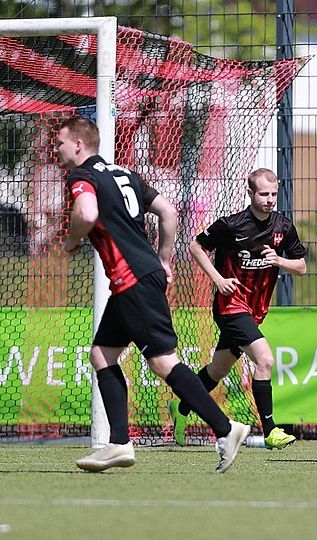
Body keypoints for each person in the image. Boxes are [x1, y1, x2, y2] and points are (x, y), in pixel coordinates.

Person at [57, 117, 249, 474]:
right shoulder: (123, 173)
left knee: (162, 363)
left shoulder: (81, 176)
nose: (57, 149)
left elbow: (86, 212)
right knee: (101, 354)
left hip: (132, 281)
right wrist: (163, 257)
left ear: (79, 146)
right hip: (138, 278)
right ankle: (118, 444)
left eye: (61, 142)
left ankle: (226, 428)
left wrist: (72, 239)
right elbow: (168, 211)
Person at [169, 168, 306, 449]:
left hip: (256, 309)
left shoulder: (284, 226)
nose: (269, 200)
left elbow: (301, 267)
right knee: (264, 360)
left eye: (273, 194)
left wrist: (279, 261)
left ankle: (181, 408)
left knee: (218, 370)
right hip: (230, 306)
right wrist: (218, 280)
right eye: (263, 194)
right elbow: (195, 246)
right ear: (250, 194)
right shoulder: (231, 225)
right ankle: (270, 430)